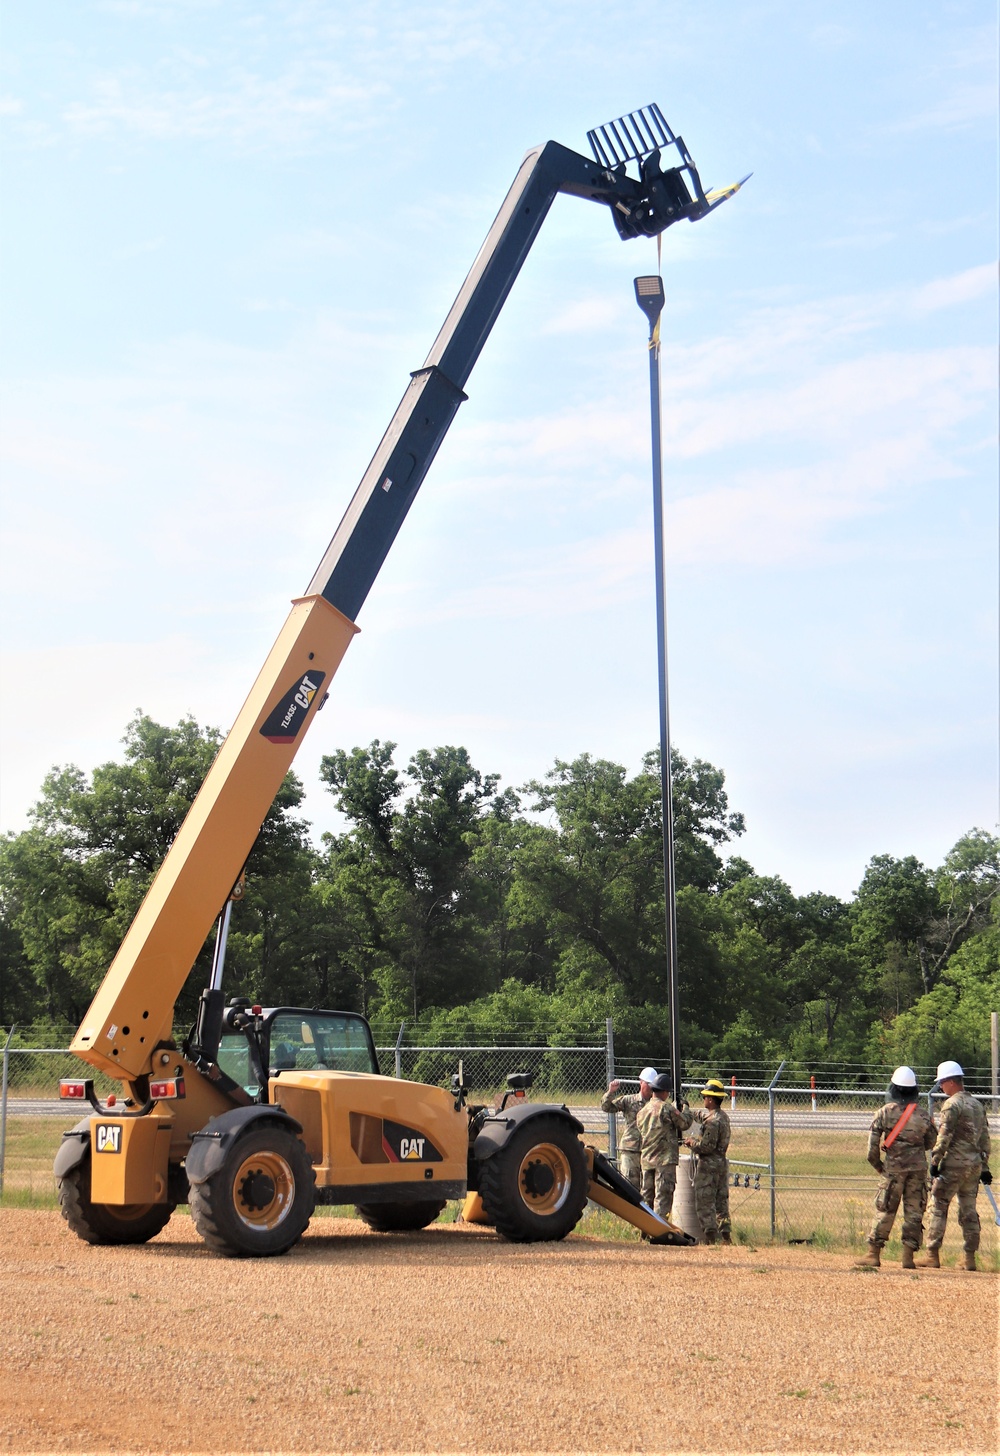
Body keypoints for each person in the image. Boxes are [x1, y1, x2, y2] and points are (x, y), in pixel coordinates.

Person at [855, 1065, 936, 1270]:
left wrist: (880, 1167)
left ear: (893, 1088)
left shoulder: (884, 1113)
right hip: (918, 1169)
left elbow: (871, 1150)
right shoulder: (924, 1115)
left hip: (893, 1168)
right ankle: (908, 1257)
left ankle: (874, 1253)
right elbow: (931, 1141)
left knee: (885, 1209)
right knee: (914, 1211)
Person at [918, 1059, 993, 1272]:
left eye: (942, 1082)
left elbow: (945, 1135)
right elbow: (984, 1139)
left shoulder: (952, 1104)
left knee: (939, 1206)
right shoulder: (977, 1105)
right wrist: (985, 1167)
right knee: (969, 1210)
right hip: (974, 1166)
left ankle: (932, 1254)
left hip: (953, 1165)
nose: (941, 1087)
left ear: (951, 1082)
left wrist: (935, 1161)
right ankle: (969, 1258)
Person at [636, 1071, 692, 1221]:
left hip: (647, 1160)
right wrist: (685, 1107)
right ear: (666, 1092)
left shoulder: (642, 1112)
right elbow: (685, 1122)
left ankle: (644, 1230)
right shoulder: (666, 1108)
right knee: (663, 1197)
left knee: (646, 1197)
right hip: (664, 1160)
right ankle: (659, 1230)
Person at [684, 1078, 732, 1244]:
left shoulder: (712, 1122)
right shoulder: (723, 1117)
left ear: (710, 1099)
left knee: (705, 1201)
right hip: (721, 1164)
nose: (703, 1099)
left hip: (708, 1166)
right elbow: (702, 1116)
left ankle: (710, 1237)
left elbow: (706, 1147)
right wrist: (687, 1111)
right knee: (721, 1202)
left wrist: (691, 1143)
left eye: (705, 1097)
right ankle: (726, 1235)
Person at [601, 1067, 657, 1191]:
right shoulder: (629, 1100)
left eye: (652, 1085)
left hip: (648, 1150)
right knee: (629, 1185)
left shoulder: (656, 1104)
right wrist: (610, 1092)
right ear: (641, 1082)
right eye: (648, 1084)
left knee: (648, 1187)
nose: (650, 1088)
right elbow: (606, 1107)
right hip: (630, 1149)